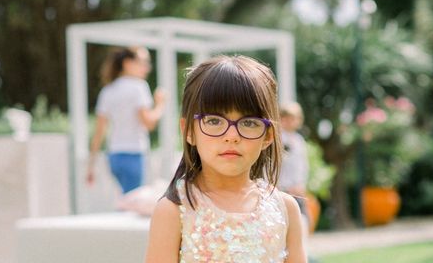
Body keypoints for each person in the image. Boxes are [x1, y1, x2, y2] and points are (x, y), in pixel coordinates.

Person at [145, 55, 306, 263]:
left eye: (248, 123)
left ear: (268, 135)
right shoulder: (174, 211)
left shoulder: (285, 209)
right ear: (188, 131)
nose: (232, 135)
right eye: (213, 120)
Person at [87, 46, 165, 194]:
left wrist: (91, 166)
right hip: (134, 155)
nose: (147, 68)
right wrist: (160, 104)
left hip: (114, 157)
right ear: (127, 63)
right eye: (143, 62)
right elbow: (149, 123)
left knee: (126, 199)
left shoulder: (107, 90)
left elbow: (99, 131)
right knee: (132, 204)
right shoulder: (139, 87)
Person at [278, 102, 310, 233]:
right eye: (285, 118)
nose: (288, 122)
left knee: (302, 223)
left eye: (292, 118)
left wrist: (301, 184)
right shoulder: (278, 139)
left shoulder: (299, 140)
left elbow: (303, 166)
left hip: (298, 190)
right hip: (283, 189)